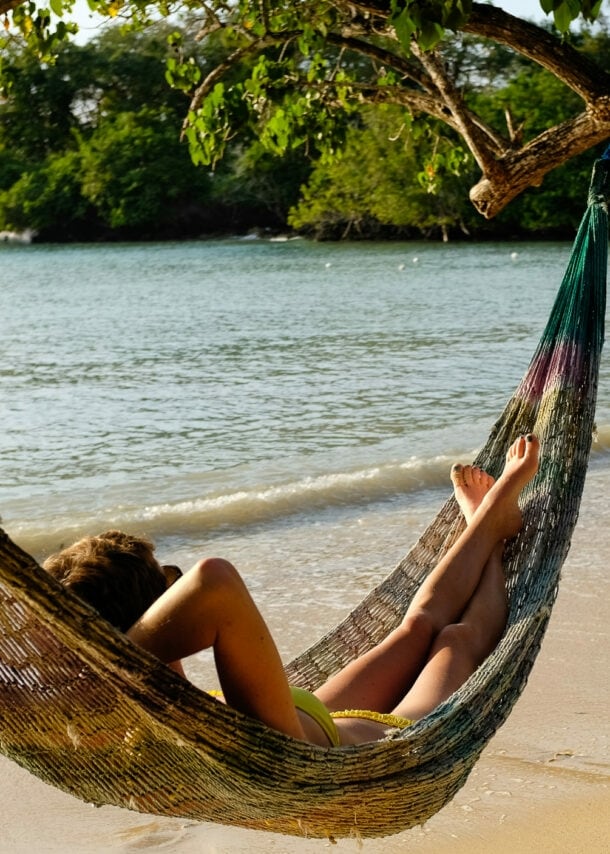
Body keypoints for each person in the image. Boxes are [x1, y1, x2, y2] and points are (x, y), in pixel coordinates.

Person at [43, 434, 540, 747]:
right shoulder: (131, 717)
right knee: (455, 638)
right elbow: (214, 579)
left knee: (416, 625)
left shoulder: (151, 697)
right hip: (374, 743)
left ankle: (486, 521)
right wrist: (114, 660)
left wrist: (106, 657)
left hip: (304, 709)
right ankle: (492, 538)